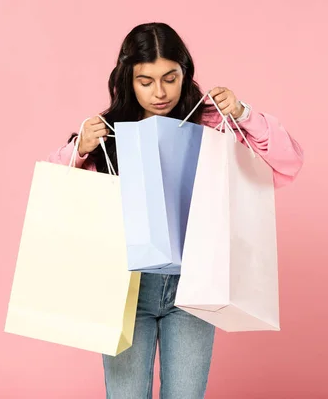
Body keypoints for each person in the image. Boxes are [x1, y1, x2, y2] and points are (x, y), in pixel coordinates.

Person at [48, 22, 303, 399]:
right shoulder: (107, 133)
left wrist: (244, 113)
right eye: (145, 81)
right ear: (127, 80)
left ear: (186, 72)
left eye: (170, 77)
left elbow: (287, 162)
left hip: (195, 286)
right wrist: (79, 149)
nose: (160, 92)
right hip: (125, 290)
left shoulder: (213, 123)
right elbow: (56, 196)